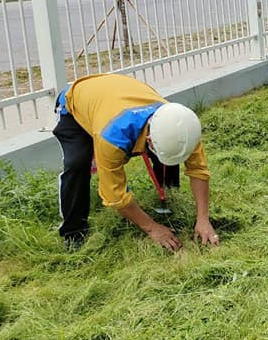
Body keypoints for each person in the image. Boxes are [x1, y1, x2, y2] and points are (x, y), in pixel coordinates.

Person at [53, 73, 220, 251]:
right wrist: (152, 229)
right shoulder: (112, 138)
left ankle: (167, 203)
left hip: (117, 94)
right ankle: (73, 233)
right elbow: (115, 197)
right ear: (149, 140)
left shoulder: (182, 126)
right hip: (75, 103)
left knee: (167, 156)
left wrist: (203, 219)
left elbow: (199, 171)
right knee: (77, 163)